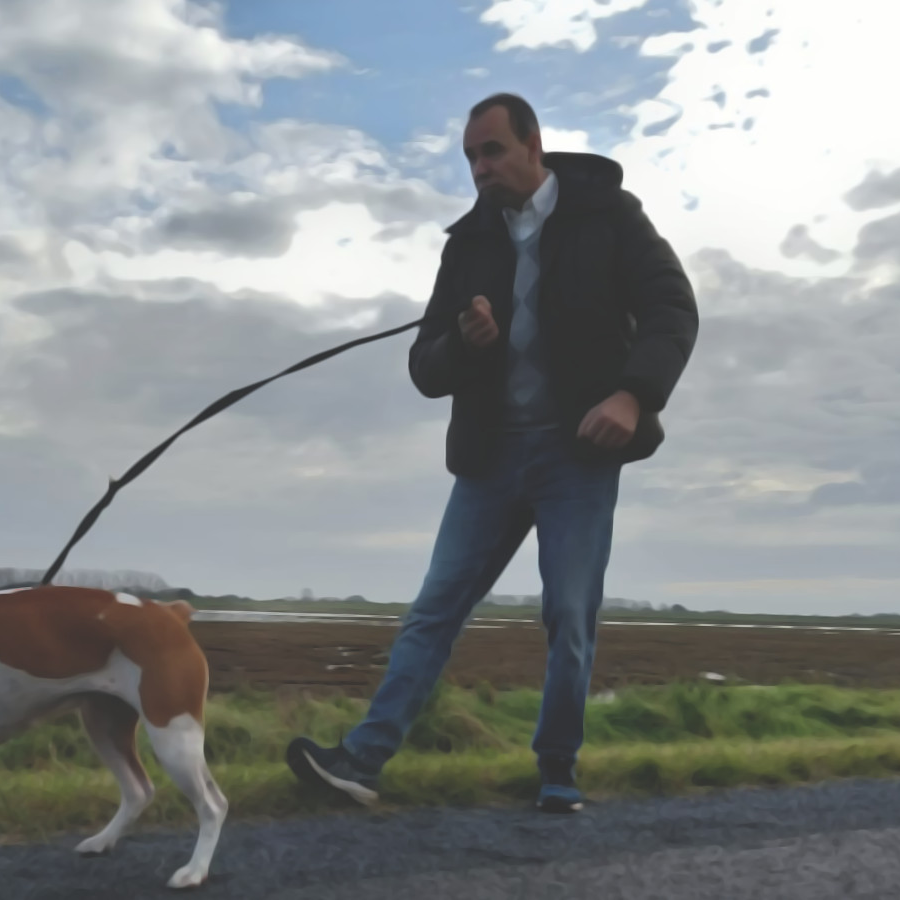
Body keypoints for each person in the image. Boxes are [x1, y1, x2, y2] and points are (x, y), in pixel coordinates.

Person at [285, 92, 699, 813]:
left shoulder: (609, 215)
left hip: (577, 457)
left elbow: (673, 309)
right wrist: (463, 343)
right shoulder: (467, 244)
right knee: (434, 609)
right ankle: (361, 763)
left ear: (533, 145)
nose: (480, 168)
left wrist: (634, 396)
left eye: (493, 151)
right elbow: (425, 367)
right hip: (489, 460)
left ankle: (557, 770)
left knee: (569, 613)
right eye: (471, 157)